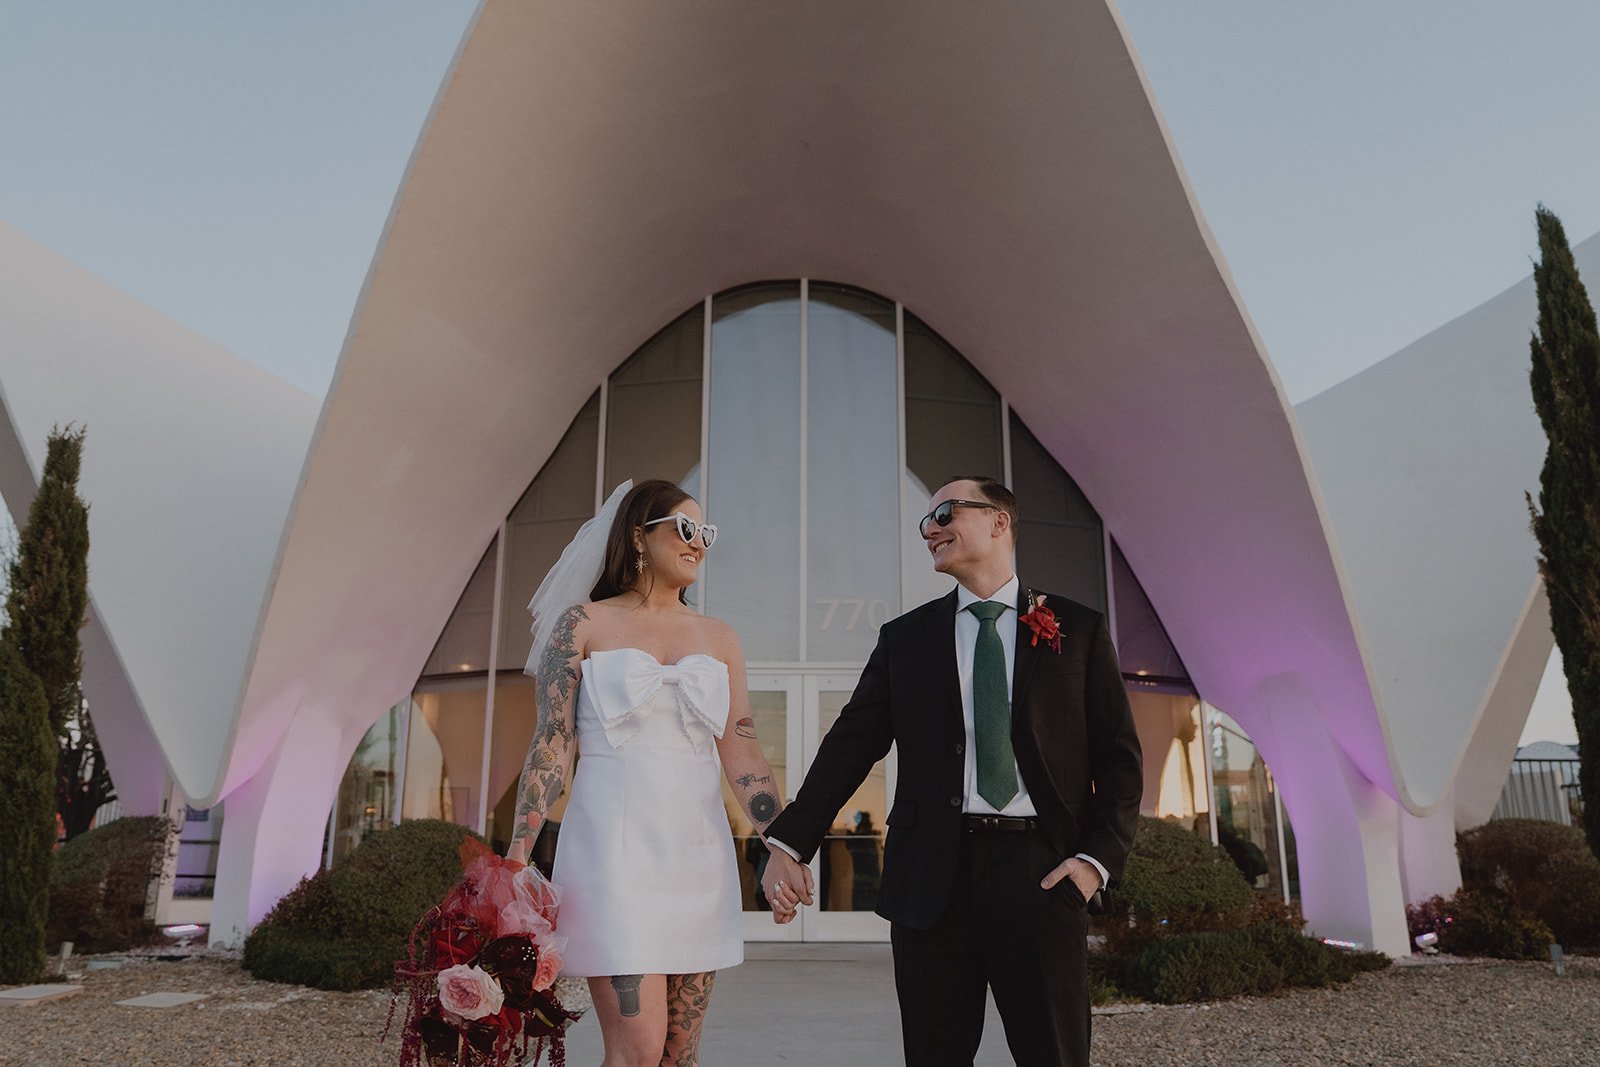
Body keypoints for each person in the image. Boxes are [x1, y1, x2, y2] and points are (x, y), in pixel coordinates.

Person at [760, 476, 1143, 1067]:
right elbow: (849, 746)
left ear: (998, 522)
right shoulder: (906, 639)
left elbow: (1119, 760)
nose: (930, 529)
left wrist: (1093, 864)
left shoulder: (1080, 630)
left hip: (1043, 876)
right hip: (930, 882)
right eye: (924, 523)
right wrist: (790, 840)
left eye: (943, 512)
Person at [505, 479, 810, 1067]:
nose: (700, 543)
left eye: (708, 534)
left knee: (678, 1055)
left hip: (698, 857)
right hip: (611, 857)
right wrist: (517, 859)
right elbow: (552, 742)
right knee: (638, 1053)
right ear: (640, 538)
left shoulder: (720, 637)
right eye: (687, 528)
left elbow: (742, 750)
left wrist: (783, 844)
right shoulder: (581, 624)